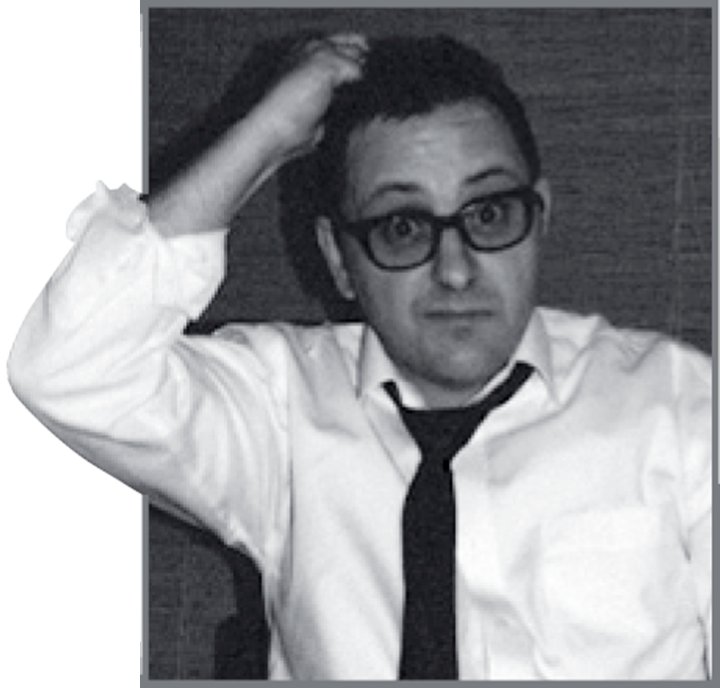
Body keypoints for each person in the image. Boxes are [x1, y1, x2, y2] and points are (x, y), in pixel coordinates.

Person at [7, 33, 711, 680]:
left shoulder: (677, 405)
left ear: (540, 219)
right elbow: (68, 366)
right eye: (403, 227)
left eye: (490, 214)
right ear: (339, 260)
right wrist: (264, 136)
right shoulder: (279, 412)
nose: (456, 270)